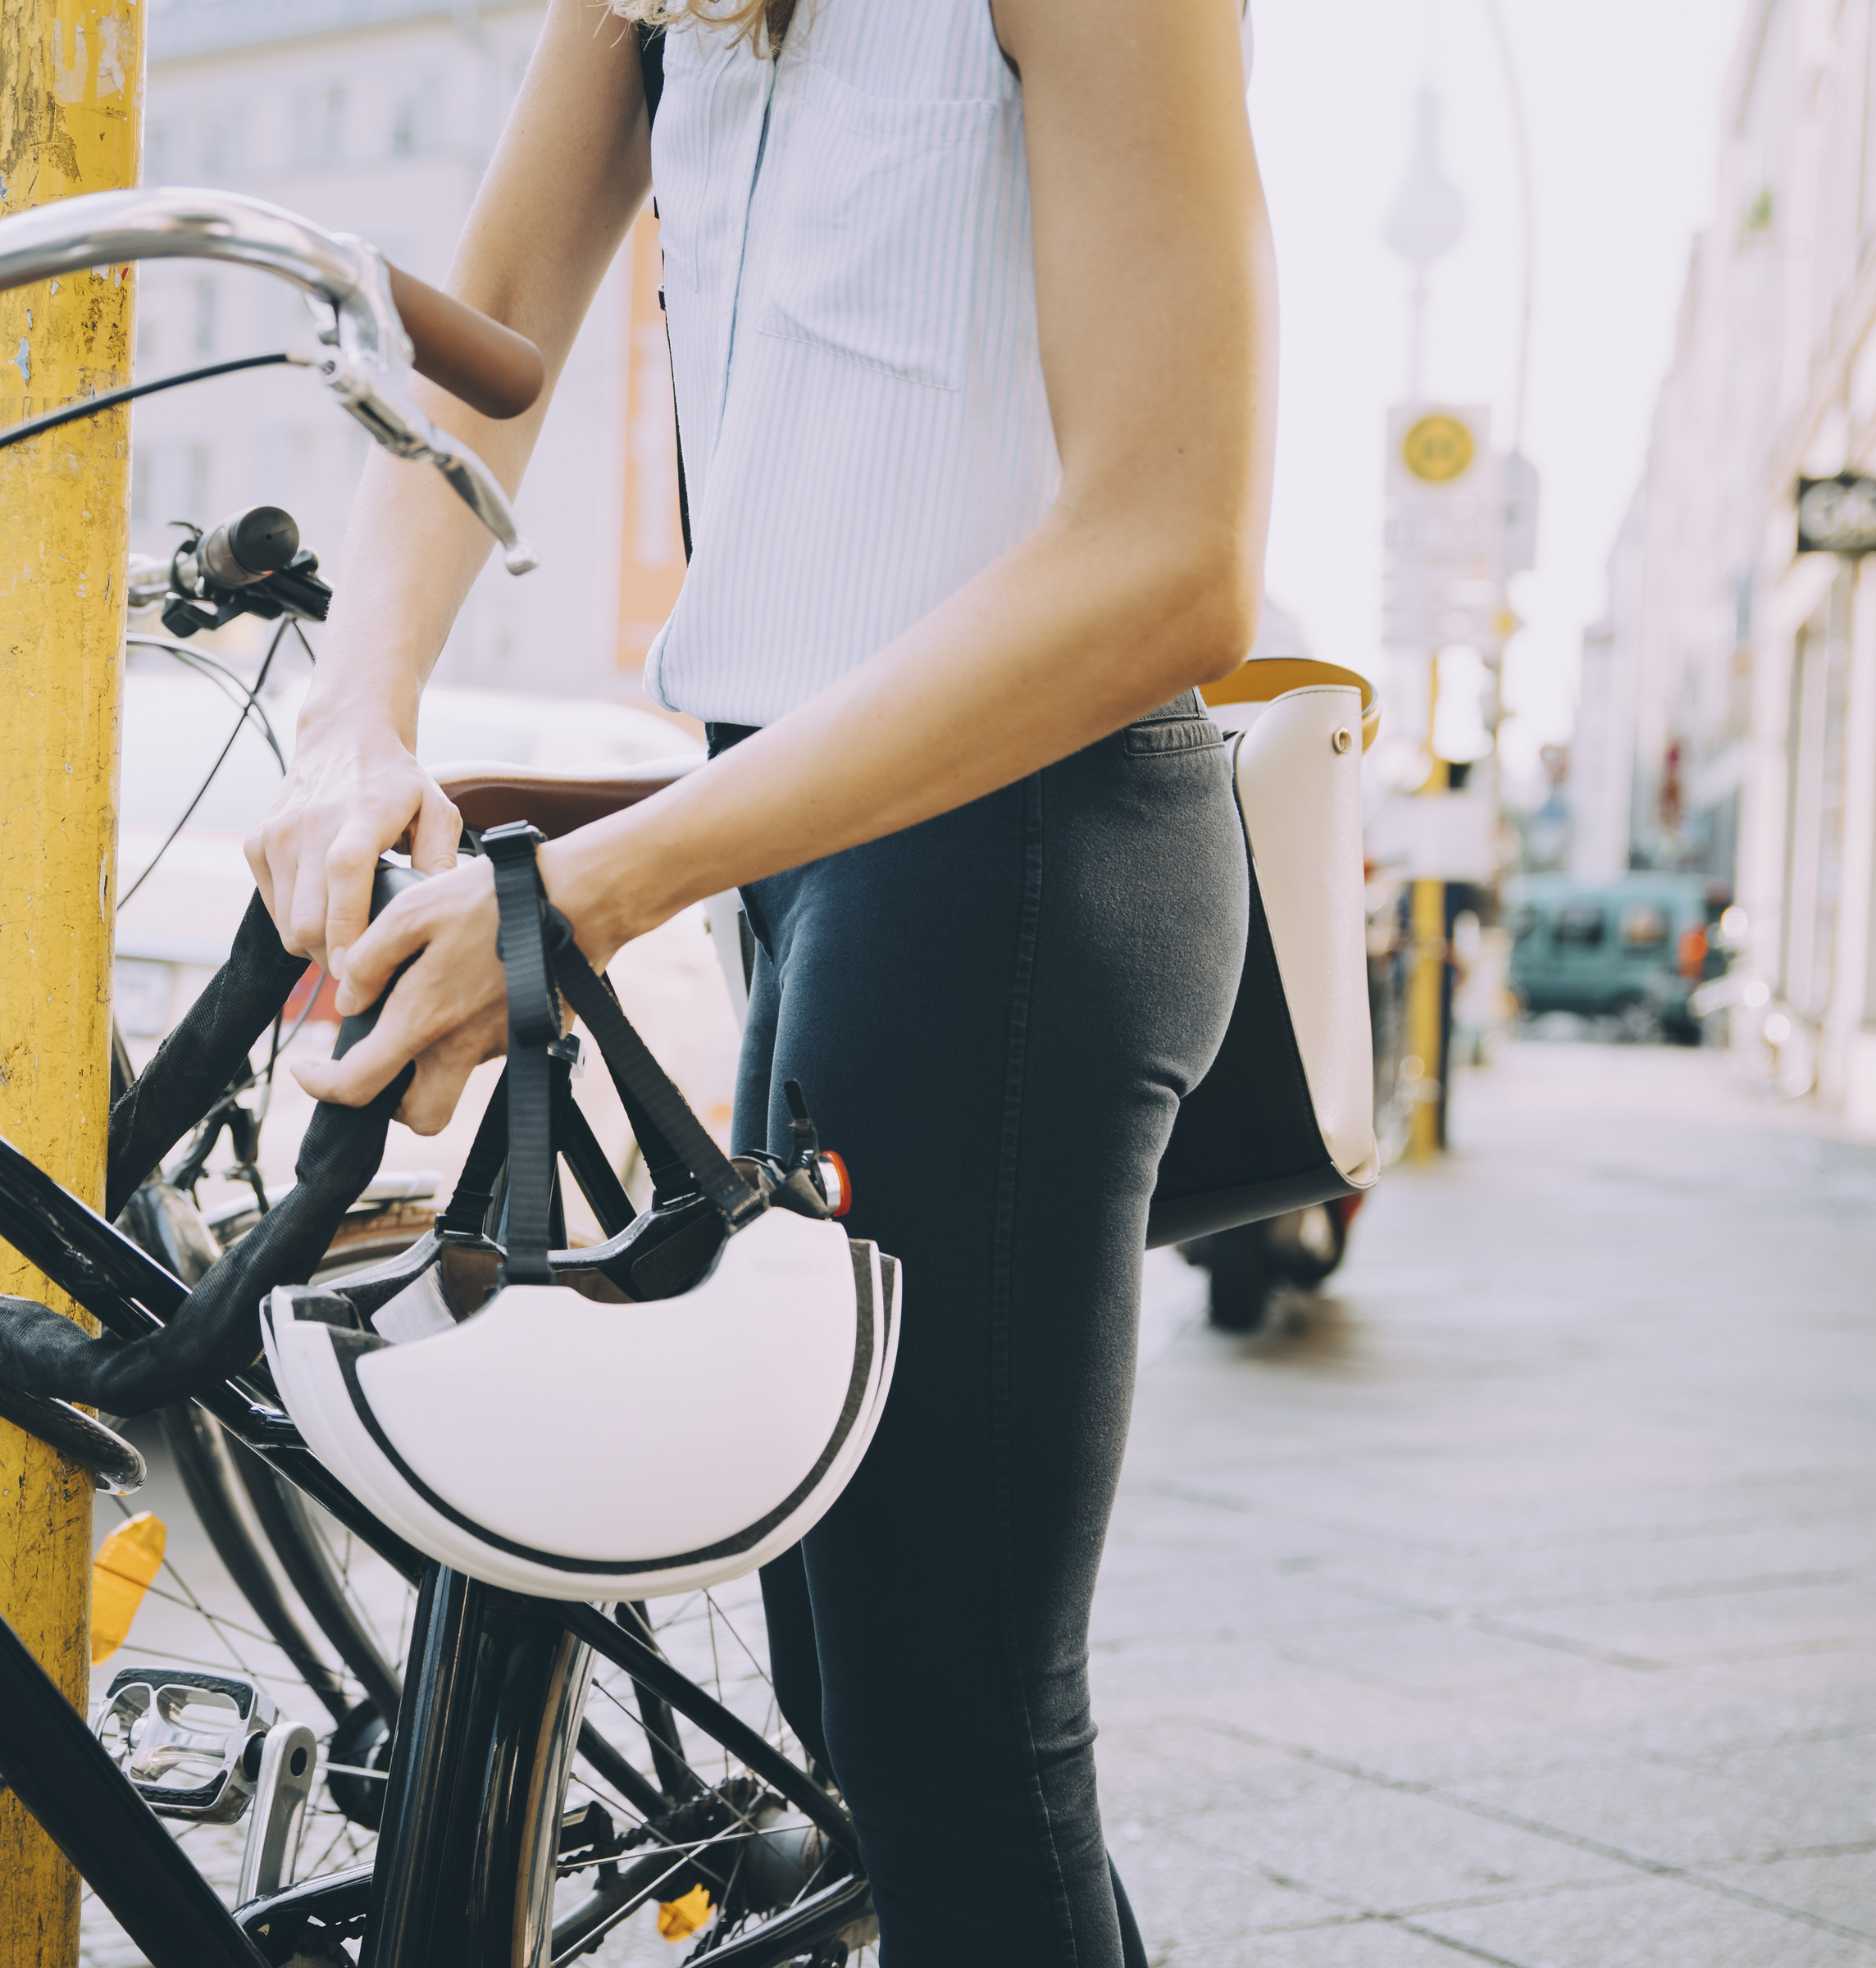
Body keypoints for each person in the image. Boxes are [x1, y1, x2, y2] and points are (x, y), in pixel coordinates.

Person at [248, 2, 1270, 1960]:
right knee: (864, 1709)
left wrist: (597, 892)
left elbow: (1175, 549)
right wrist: (352, 716)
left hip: (1024, 847)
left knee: (952, 1734)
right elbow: (476, 338)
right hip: (805, 849)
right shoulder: (661, 10)